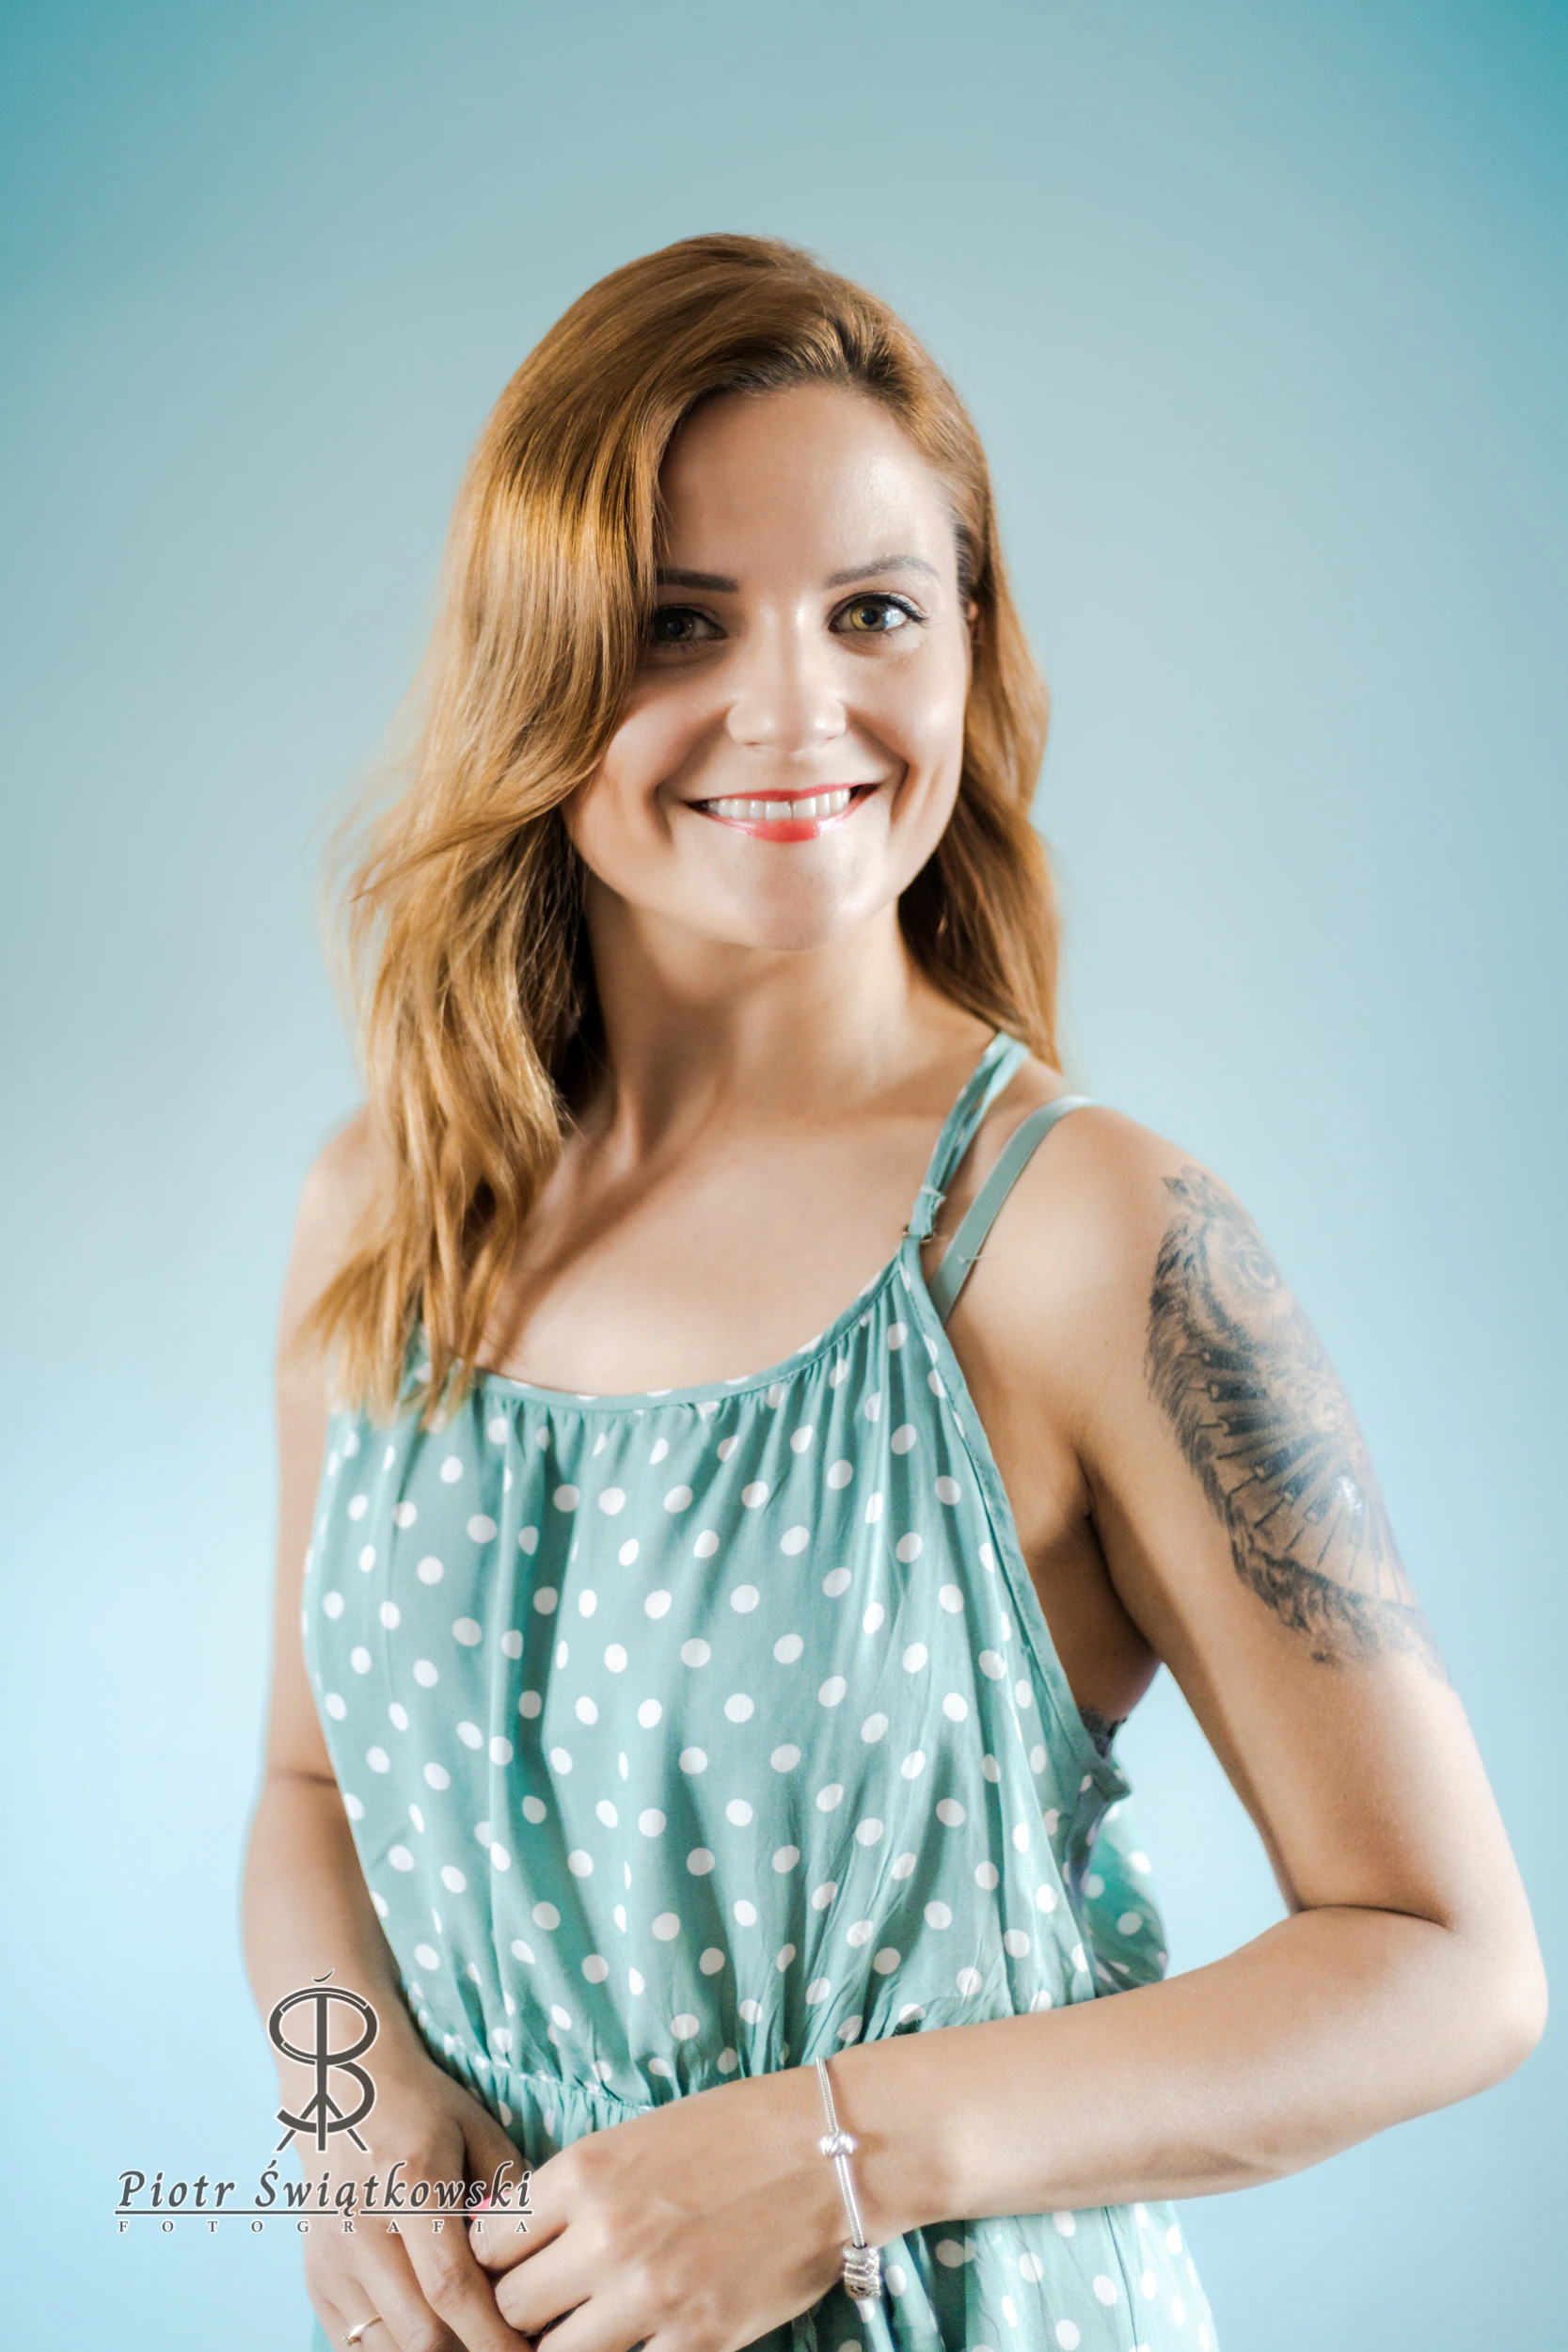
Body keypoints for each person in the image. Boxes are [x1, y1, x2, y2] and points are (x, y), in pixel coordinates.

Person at [241, 233, 1545, 2352]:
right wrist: (343, 2111)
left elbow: (1445, 1962)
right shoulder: (387, 1213)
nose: (794, 709)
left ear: (968, 648)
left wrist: (836, 2152)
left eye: (872, 611)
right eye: (678, 621)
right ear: (532, 666)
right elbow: (309, 1798)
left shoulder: (1080, 1234)